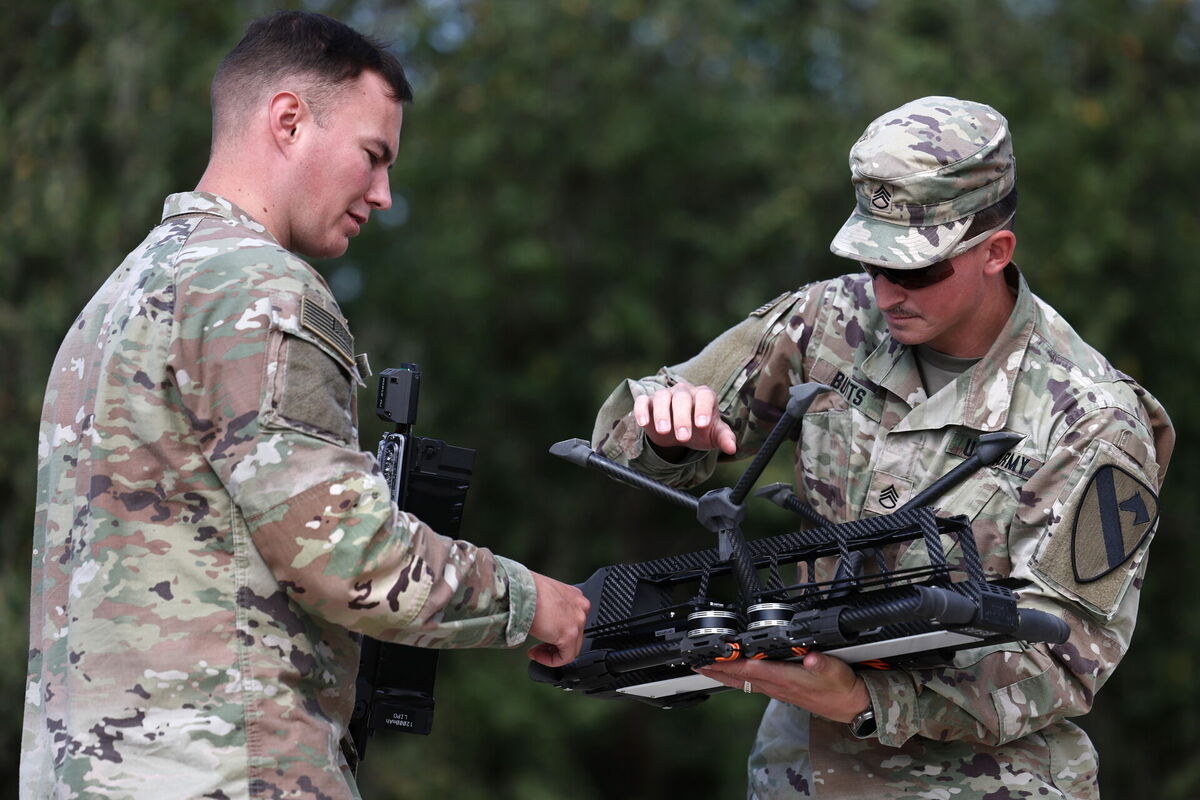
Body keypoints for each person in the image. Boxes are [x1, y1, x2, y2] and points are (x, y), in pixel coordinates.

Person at [21, 11, 588, 799]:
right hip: (229, 772)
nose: (384, 195)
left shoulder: (116, 301)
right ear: (288, 120)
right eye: (372, 156)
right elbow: (350, 558)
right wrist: (538, 605)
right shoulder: (263, 289)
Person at [591, 96, 1173, 798]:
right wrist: (663, 431)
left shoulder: (1092, 418)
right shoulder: (828, 322)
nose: (885, 290)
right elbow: (628, 436)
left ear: (995, 252)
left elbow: (1066, 653)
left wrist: (871, 702)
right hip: (799, 773)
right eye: (871, 260)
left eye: (916, 269)